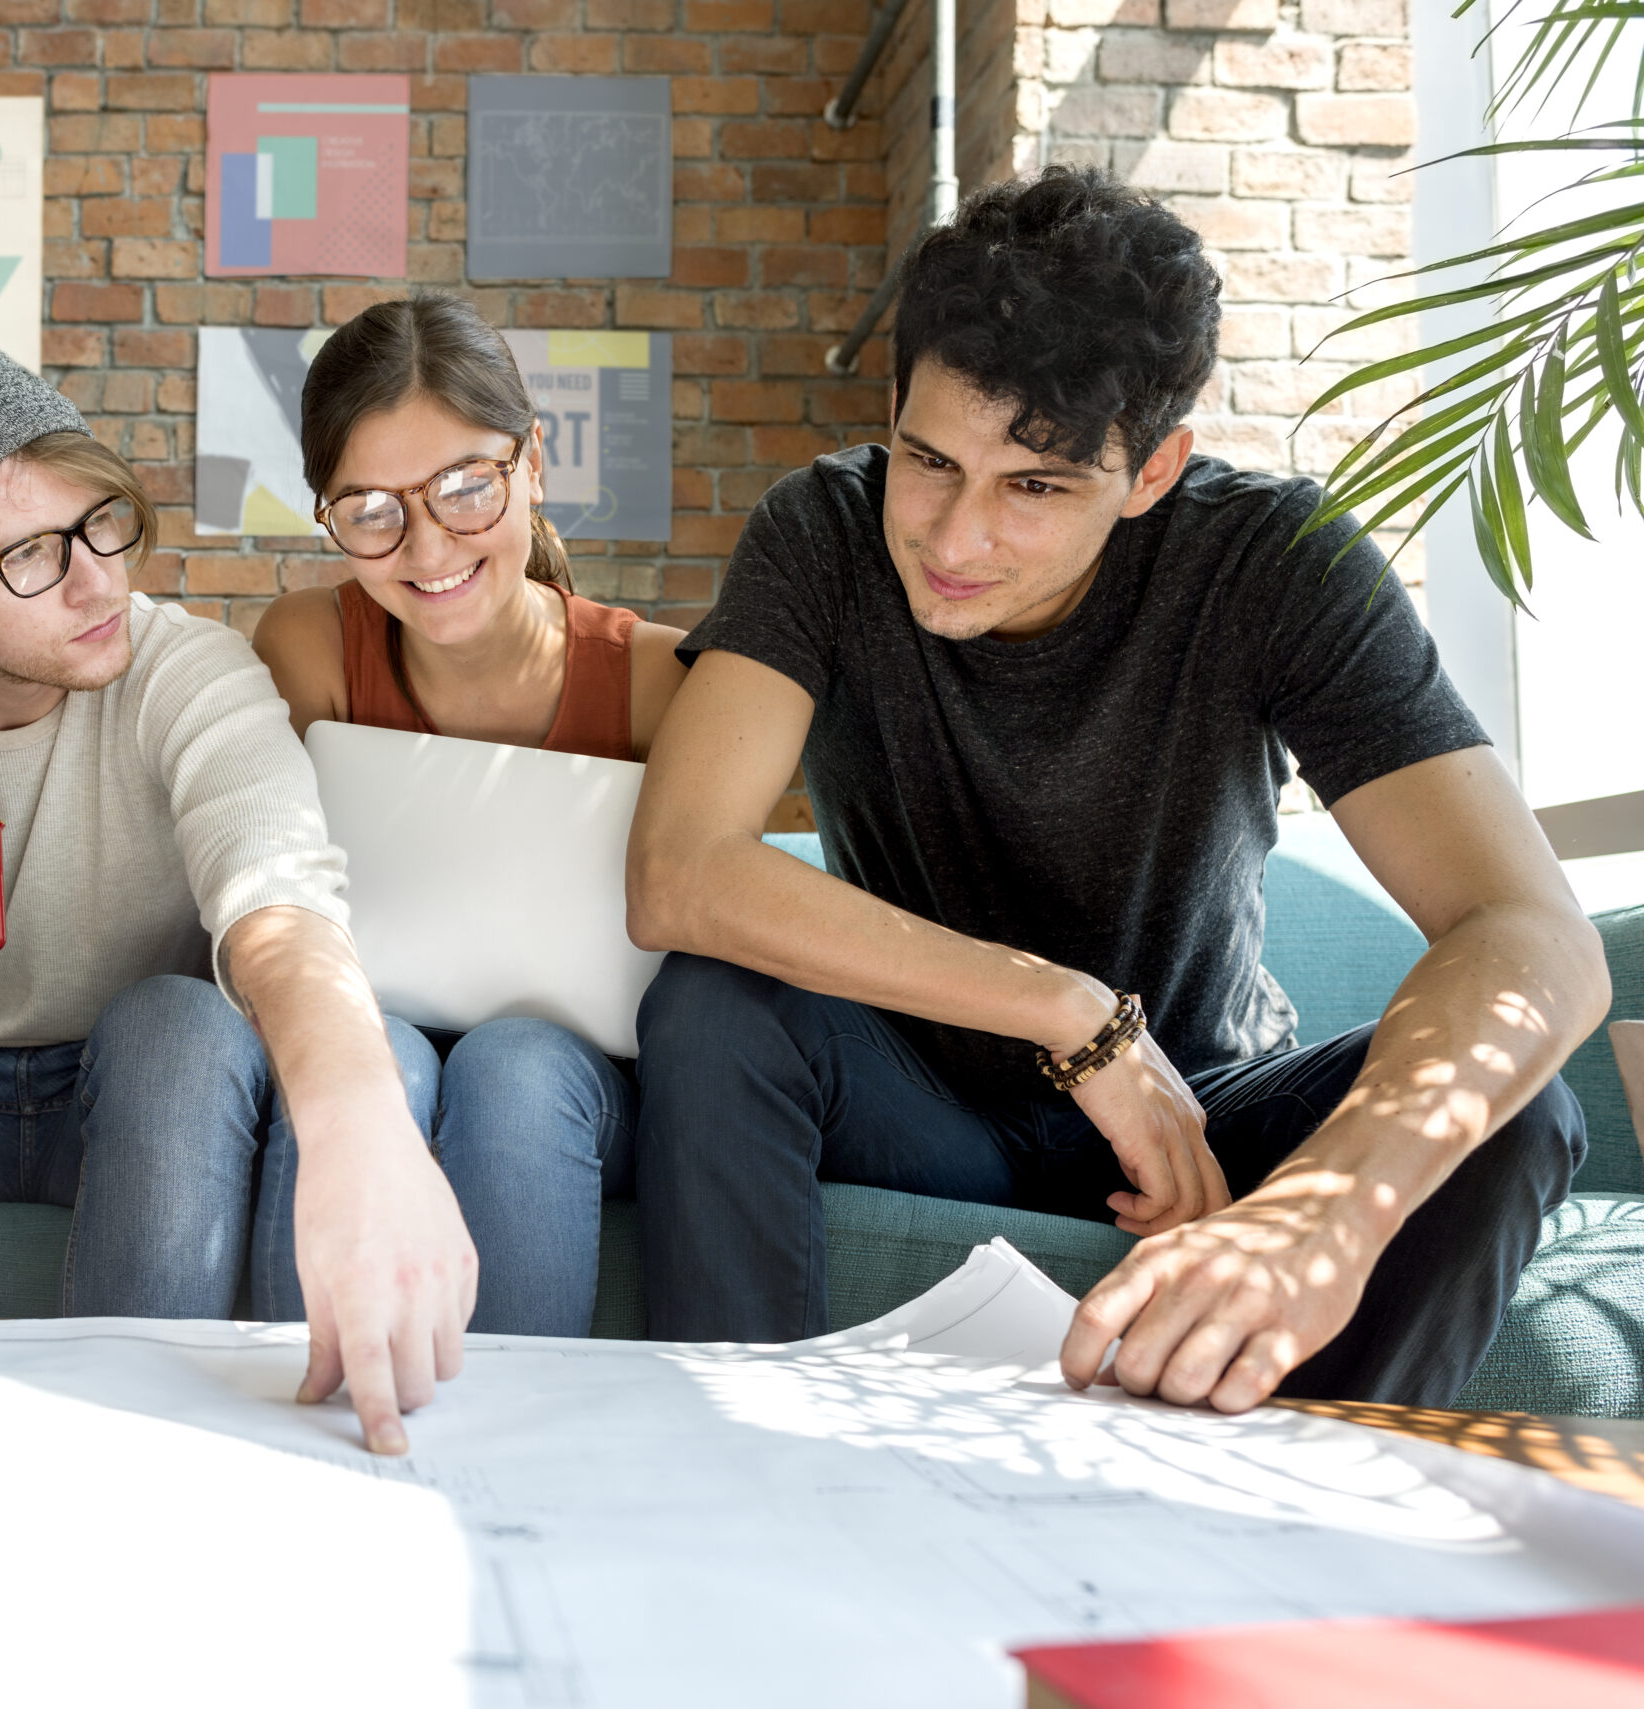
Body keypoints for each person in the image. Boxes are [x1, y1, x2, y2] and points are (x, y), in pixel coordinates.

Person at [625, 166, 1607, 1411]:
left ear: (1151, 471)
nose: (950, 535)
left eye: (1033, 486)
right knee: (714, 1002)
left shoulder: (1274, 563)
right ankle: (735, 1477)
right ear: (894, 408)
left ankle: (1283, 1520)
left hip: (1210, 1109)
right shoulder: (820, 530)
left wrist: (1316, 1211)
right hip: (925, 1108)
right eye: (930, 458)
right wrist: (1073, 1017)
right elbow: (680, 872)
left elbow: (1534, 937)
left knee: (1513, 1106)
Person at [0, 337, 475, 1454]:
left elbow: (278, 897)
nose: (96, 580)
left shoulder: (189, 669)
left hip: (121, 1087)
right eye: (30, 555)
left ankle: (135, 1446)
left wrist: (363, 1124)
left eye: (101, 523)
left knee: (175, 1018)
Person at [253, 295, 689, 1337]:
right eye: (369, 508)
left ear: (533, 461)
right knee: (384, 1057)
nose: (425, 545)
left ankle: (518, 1455)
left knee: (517, 1065)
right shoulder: (307, 642)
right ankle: (286, 1429)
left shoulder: (655, 677)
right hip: (368, 1029)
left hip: (576, 1083)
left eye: (464, 487)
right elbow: (271, 878)